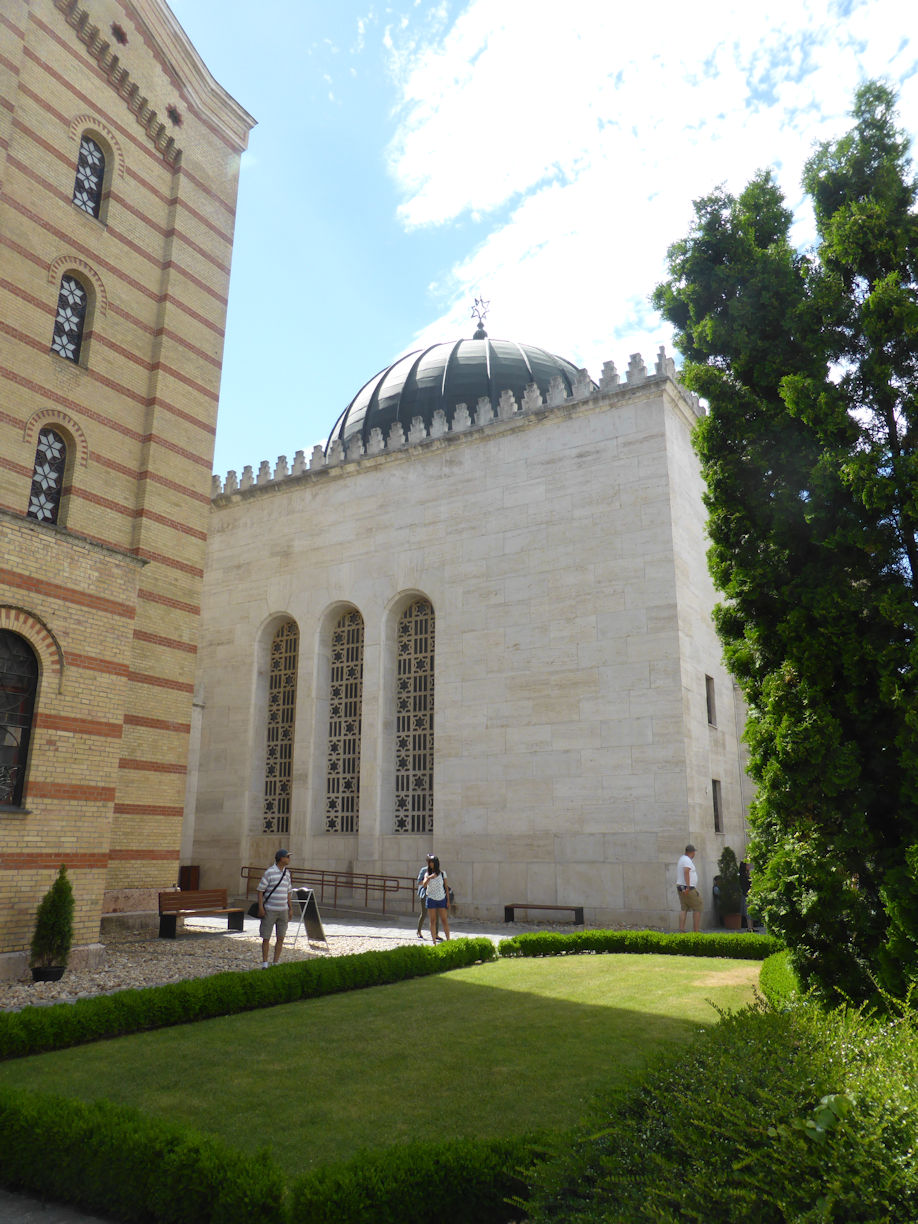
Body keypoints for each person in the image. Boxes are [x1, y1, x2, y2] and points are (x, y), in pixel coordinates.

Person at [256, 848, 293, 967]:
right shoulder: (269, 872)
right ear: (281, 858)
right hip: (270, 909)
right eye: (287, 856)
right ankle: (265, 963)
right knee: (266, 937)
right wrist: (261, 907)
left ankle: (276, 962)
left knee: (281, 937)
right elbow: (260, 890)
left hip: (283, 910)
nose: (289, 859)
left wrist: (290, 908)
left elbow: (288, 892)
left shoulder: (287, 873)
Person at [422, 855, 450, 942]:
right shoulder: (427, 874)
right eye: (429, 862)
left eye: (432, 862)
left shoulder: (442, 873)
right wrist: (430, 877)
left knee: (444, 920)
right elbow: (424, 885)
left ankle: (448, 939)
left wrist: (448, 900)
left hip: (441, 898)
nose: (430, 864)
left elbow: (446, 887)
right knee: (433, 920)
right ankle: (434, 941)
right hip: (431, 899)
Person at [676, 843, 702, 933]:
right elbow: (686, 871)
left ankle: (681, 930)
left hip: (681, 886)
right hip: (688, 888)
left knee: (684, 908)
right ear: (692, 852)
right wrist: (687, 886)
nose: (694, 854)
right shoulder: (687, 860)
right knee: (698, 907)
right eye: (694, 852)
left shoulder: (682, 859)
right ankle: (696, 932)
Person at [416, 852, 439, 939]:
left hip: (435, 894)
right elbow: (419, 882)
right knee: (424, 913)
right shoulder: (424, 870)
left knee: (436, 914)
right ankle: (419, 931)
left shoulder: (437, 871)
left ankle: (436, 933)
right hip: (425, 893)